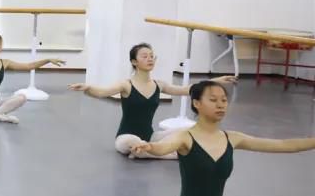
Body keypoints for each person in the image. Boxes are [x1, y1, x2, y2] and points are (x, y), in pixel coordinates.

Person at [133, 80, 313, 196]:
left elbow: (283, 145)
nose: (220, 105)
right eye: (213, 100)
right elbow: (164, 147)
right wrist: (150, 147)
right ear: (196, 103)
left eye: (224, 100)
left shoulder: (233, 138)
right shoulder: (185, 137)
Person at [69, 42, 237, 158]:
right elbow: (103, 92)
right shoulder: (126, 85)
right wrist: (88, 88)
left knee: (188, 130)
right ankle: (165, 154)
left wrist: (216, 81)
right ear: (134, 62)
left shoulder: (159, 85)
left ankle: (147, 152)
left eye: (151, 56)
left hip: (151, 137)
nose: (150, 59)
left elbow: (187, 89)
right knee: (132, 143)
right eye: (144, 56)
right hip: (126, 137)